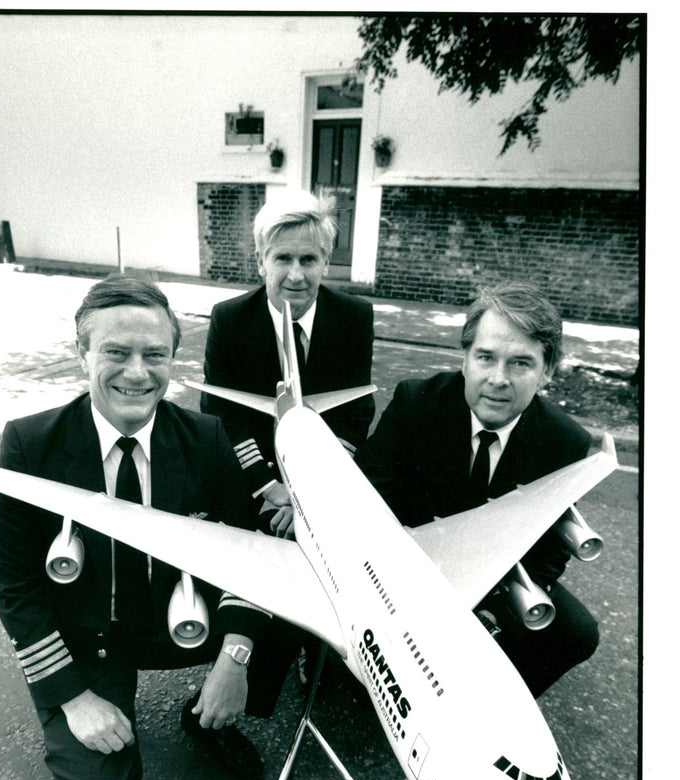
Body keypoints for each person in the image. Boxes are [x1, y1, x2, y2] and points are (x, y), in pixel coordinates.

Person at [0, 276, 290, 780]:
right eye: (116, 352)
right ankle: (95, 700)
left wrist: (234, 660)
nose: (137, 373)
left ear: (173, 358)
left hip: (178, 621)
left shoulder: (207, 438)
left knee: (290, 617)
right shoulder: (30, 444)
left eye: (155, 354)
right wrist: (75, 699)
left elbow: (250, 555)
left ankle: (209, 717)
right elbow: (12, 581)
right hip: (88, 637)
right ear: (82, 354)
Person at [355, 281, 600, 698]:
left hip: (492, 581)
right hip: (406, 564)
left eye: (521, 363)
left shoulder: (566, 442)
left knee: (577, 633)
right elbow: (365, 501)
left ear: (548, 371)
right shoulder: (416, 402)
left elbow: (550, 548)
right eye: (486, 357)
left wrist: (491, 615)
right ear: (465, 359)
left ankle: (490, 707)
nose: (498, 379)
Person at [201, 188, 375, 538]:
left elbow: (356, 410)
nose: (296, 275)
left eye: (308, 259)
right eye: (283, 258)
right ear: (260, 261)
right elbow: (220, 413)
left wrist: (310, 493)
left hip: (327, 487)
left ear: (326, 261)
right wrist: (270, 488)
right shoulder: (230, 319)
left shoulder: (353, 317)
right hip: (251, 482)